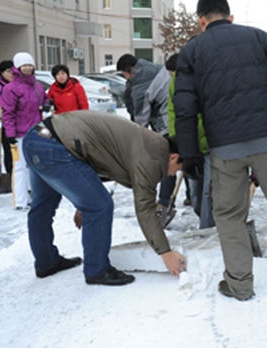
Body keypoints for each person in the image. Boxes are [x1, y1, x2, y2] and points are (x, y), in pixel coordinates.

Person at [174, 0, 267, 301]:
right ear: (230, 16)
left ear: (201, 20)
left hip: (225, 149)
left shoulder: (192, 51)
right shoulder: (258, 37)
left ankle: (240, 284)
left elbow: (184, 107)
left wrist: (189, 151)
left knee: (230, 216)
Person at [21, 111, 186, 285]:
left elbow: (90, 157)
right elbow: (145, 208)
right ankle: (97, 270)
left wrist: (83, 202)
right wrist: (166, 253)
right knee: (100, 206)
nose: (173, 173)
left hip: (36, 136)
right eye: (177, 168)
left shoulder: (144, 141)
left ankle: (46, 262)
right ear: (173, 156)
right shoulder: (151, 157)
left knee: (43, 207)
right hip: (57, 145)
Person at [117, 53, 175, 213]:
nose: (126, 78)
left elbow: (141, 119)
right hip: (176, 117)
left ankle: (164, 203)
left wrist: (135, 139)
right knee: (181, 158)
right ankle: (190, 195)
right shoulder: (155, 68)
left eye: (125, 74)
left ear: (130, 70)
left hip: (166, 123)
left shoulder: (141, 86)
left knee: (168, 161)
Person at [167, 53, 214, 229]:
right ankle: (204, 219)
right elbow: (173, 110)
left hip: (211, 145)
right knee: (195, 192)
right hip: (190, 145)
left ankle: (207, 229)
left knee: (209, 191)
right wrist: (177, 139)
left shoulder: (211, 75)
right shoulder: (179, 78)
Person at [1, 52, 48, 209]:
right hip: (19, 133)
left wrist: (47, 105)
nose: (27, 68)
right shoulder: (11, 88)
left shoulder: (38, 86)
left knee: (34, 165)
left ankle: (33, 196)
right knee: (20, 166)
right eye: (24, 65)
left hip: (37, 131)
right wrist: (10, 134)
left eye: (30, 65)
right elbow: (8, 112)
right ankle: (20, 201)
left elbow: (44, 102)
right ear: (17, 67)